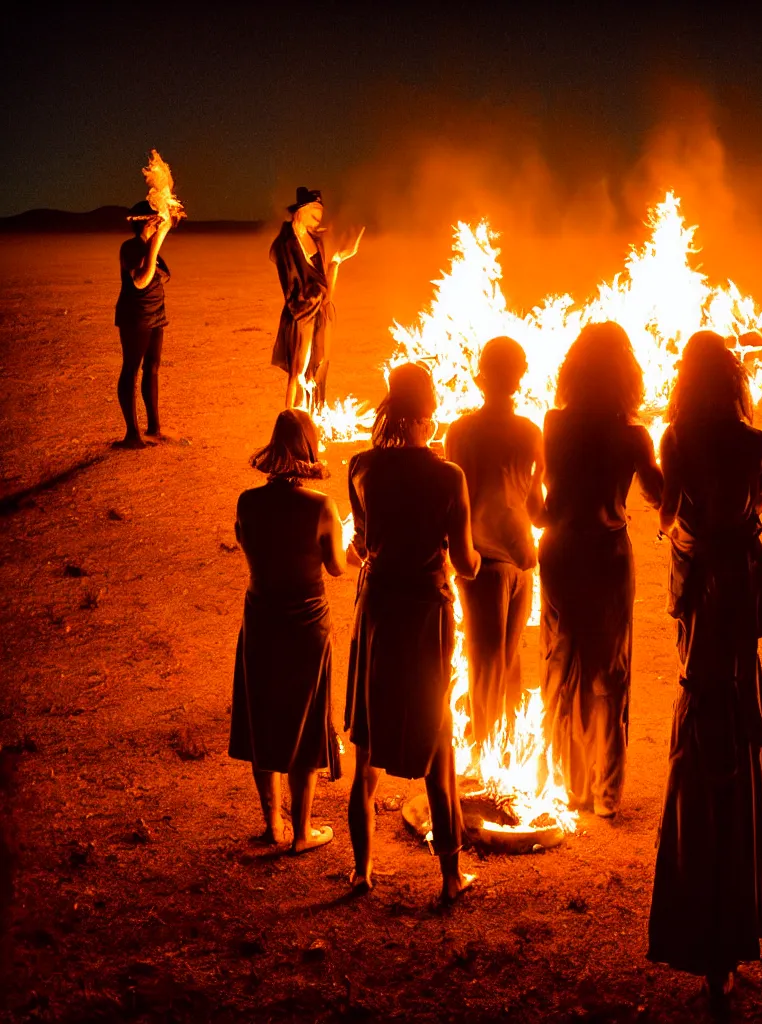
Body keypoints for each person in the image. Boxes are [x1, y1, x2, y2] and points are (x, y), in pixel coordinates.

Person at [647, 331, 762, 1011]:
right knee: (734, 680)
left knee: (702, 686)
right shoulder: (753, 442)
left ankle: (707, 764)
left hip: (699, 580)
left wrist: (679, 527)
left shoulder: (674, 437)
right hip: (740, 577)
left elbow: (667, 511)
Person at [344, 363, 481, 902]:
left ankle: (362, 871)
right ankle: (449, 878)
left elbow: (361, 543)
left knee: (368, 740)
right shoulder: (448, 476)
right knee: (436, 740)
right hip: (426, 611)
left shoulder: (360, 467)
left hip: (378, 609)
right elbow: (467, 563)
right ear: (430, 412)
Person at [539, 322, 663, 818]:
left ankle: (570, 785)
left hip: (561, 550)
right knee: (609, 673)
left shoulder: (553, 423)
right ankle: (607, 792)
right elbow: (660, 495)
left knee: (561, 663)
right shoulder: (632, 435)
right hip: (609, 553)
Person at [229, 408, 345, 853]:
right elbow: (335, 567)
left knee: (265, 716)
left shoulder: (247, 502)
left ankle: (272, 825)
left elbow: (247, 546)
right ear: (310, 449)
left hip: (261, 617)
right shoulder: (320, 507)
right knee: (306, 721)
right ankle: (302, 832)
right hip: (306, 623)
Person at [445, 337, 545, 746]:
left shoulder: (461, 431)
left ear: (480, 376)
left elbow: (454, 499)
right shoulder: (530, 433)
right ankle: (503, 753)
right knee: (508, 661)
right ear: (520, 377)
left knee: (483, 665)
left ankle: (488, 757)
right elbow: (537, 507)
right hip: (521, 559)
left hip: (481, 560)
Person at [270, 187, 363, 410]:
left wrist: (338, 260)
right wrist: (311, 302)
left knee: (316, 367)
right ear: (300, 212)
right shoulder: (286, 245)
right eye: (313, 216)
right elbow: (292, 288)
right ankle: (290, 419)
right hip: (300, 313)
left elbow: (326, 291)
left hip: (317, 312)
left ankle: (310, 417)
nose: (316, 222)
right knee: (298, 371)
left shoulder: (317, 243)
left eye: (319, 218)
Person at [113, 199, 174, 448]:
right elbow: (140, 280)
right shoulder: (130, 247)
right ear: (148, 222)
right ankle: (132, 435)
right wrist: (157, 241)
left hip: (155, 314)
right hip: (135, 316)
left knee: (152, 367)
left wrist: (155, 243)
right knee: (131, 369)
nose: (160, 222)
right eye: (156, 219)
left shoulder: (149, 247)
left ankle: (154, 428)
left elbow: (164, 275)